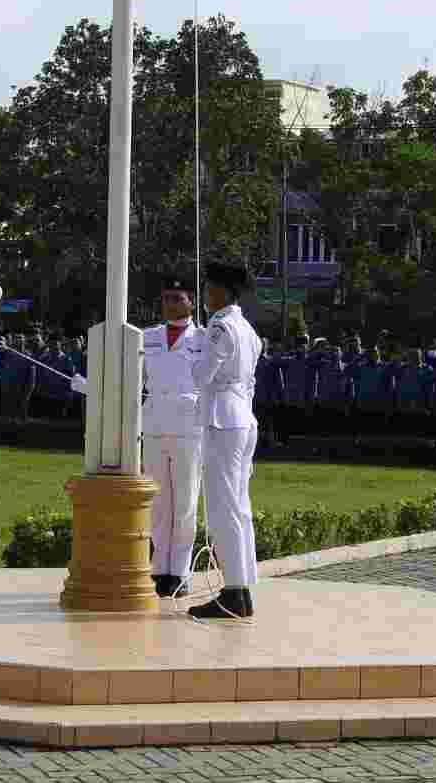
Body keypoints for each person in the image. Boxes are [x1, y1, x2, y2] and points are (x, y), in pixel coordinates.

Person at [188, 261, 262, 621]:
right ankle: (240, 589)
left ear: (223, 291)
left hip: (222, 421)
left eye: (209, 288)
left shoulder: (220, 327)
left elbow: (201, 375)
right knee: (239, 507)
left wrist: (196, 352)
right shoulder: (247, 328)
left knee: (222, 508)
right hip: (242, 417)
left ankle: (233, 592)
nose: (205, 294)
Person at [139, 277, 206, 599]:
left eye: (177, 298)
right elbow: (134, 378)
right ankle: (158, 570)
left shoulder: (203, 339)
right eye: (166, 298)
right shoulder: (147, 337)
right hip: (154, 424)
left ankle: (180, 571)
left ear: (191, 301)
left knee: (185, 503)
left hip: (189, 427)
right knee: (158, 502)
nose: (170, 304)